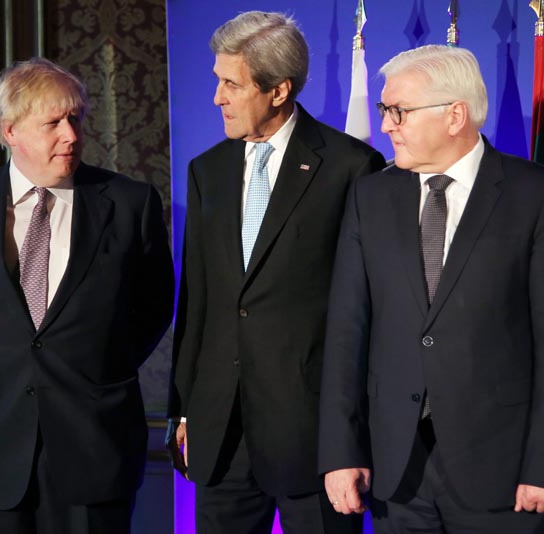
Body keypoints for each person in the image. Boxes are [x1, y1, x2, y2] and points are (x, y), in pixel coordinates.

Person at [318, 44, 544, 533]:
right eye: (384, 111)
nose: (386, 126)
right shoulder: (370, 196)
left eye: (397, 111)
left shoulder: (538, 195)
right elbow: (345, 332)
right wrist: (340, 451)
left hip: (506, 473)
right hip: (397, 472)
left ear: (455, 115)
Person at [0, 57, 174, 534]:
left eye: (75, 118)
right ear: (10, 130)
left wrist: (95, 364)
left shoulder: (129, 203)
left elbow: (154, 307)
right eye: (53, 122)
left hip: (95, 450)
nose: (71, 135)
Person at [167, 10, 386, 534]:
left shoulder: (352, 167)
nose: (216, 97)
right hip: (221, 433)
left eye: (230, 84)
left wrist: (350, 435)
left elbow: (366, 312)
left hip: (311, 436)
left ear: (279, 90)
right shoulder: (208, 171)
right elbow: (197, 300)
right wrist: (185, 409)